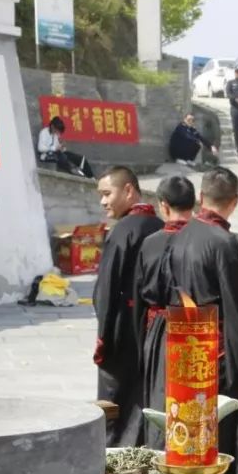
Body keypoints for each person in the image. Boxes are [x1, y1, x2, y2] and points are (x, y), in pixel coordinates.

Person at [157, 167, 238, 474]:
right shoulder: (223, 242)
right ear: (234, 202)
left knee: (191, 429)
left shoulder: (179, 236)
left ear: (200, 198)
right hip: (218, 354)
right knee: (225, 429)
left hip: (184, 350)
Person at [94, 166, 163, 446]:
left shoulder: (123, 231)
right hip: (155, 334)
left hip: (123, 335)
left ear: (129, 190)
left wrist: (103, 337)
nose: (103, 201)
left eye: (107, 193)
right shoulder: (159, 226)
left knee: (114, 407)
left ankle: (112, 460)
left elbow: (106, 290)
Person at [132, 176, 198, 447]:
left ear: (163, 205)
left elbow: (139, 296)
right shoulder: (207, 241)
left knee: (162, 399)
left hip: (161, 330)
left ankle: (162, 459)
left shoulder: (150, 243)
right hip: (198, 330)